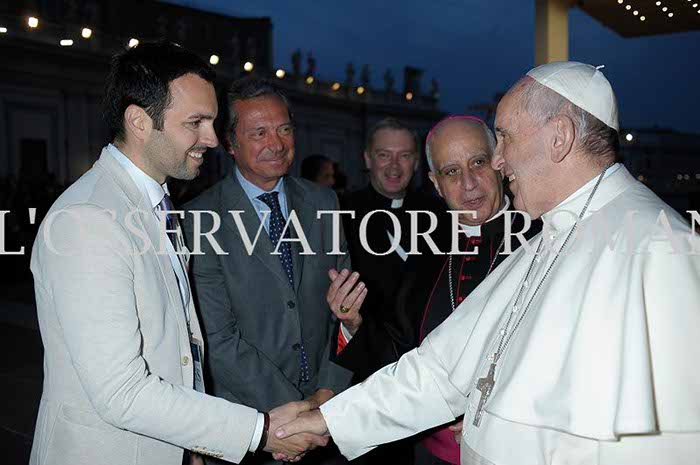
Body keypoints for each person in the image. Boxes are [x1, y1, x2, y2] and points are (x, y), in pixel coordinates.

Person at [276, 62, 700, 465]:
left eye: (505, 139)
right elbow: (439, 369)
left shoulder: (660, 247)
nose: (498, 161)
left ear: (560, 136)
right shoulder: (553, 235)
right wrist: (329, 420)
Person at [29, 42, 326, 465]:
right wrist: (258, 432)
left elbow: (182, 348)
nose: (212, 138)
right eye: (195, 123)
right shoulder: (87, 219)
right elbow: (121, 391)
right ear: (139, 122)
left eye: (212, 122)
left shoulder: (157, 205)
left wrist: (193, 449)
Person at [329, 116, 538, 465]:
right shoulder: (428, 248)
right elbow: (398, 351)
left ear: (499, 163)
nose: (469, 183)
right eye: (451, 172)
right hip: (430, 452)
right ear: (436, 184)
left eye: (478, 163)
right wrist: (354, 324)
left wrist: (494, 410)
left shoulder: (541, 238)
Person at [182, 77, 354, 464]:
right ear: (230, 143)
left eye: (284, 129)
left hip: (328, 415)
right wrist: (299, 414)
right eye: (259, 133)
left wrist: (327, 394)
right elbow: (217, 339)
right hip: (250, 426)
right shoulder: (198, 219)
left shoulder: (324, 202)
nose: (276, 144)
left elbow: (344, 311)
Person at [340, 118, 442, 354]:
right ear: (368, 159)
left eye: (404, 156)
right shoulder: (342, 214)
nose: (394, 166)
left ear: (416, 162)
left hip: (430, 352)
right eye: (384, 155)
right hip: (366, 353)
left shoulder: (440, 215)